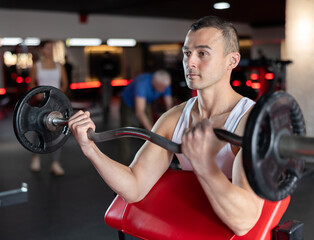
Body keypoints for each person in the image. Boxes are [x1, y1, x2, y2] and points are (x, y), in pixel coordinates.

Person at [68, 16, 264, 236]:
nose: (190, 62)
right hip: (191, 226)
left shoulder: (249, 121)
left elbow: (244, 222)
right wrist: (90, 149)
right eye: (187, 53)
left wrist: (205, 164)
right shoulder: (174, 118)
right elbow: (134, 186)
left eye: (202, 53)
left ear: (232, 60)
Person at [29, 40, 68, 176]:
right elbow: (32, 84)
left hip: (56, 103)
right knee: (38, 130)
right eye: (47, 48)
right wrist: (38, 94)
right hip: (41, 104)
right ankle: (36, 158)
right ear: (42, 50)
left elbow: (65, 84)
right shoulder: (36, 66)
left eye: (52, 48)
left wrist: (57, 95)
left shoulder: (59, 66)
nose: (50, 51)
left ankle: (55, 163)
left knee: (56, 132)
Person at [119, 70, 173, 165]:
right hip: (127, 102)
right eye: (162, 88)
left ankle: (152, 159)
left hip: (145, 101)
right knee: (125, 131)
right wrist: (153, 134)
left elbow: (170, 108)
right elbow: (139, 112)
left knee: (152, 127)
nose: (164, 90)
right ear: (154, 82)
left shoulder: (164, 84)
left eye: (165, 88)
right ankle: (124, 162)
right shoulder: (142, 84)